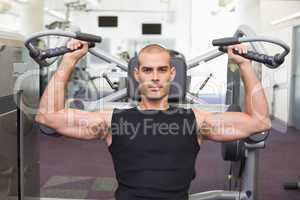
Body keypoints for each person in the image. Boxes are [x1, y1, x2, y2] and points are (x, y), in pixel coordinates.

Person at [35, 40, 271, 200]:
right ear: (136, 74)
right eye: (147, 70)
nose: (155, 78)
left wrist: (244, 65)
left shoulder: (197, 121)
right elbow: (47, 116)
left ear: (172, 73)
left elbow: (259, 122)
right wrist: (68, 61)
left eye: (161, 70)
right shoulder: (111, 121)